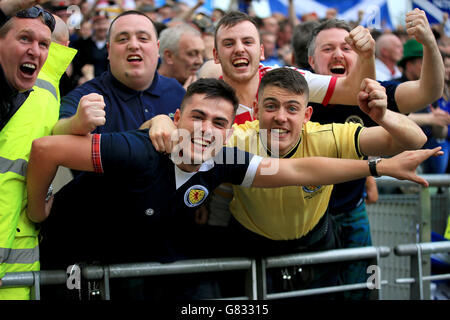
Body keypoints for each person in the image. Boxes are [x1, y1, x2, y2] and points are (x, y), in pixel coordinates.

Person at [28, 77, 439, 298]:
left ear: (232, 130)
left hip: (137, 260)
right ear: (176, 116)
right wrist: (36, 210)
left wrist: (378, 165)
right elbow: (46, 149)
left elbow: (298, 171)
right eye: (198, 117)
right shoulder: (138, 149)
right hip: (72, 257)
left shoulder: (225, 159)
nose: (206, 130)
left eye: (220, 123)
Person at [147, 67, 429, 297]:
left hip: (315, 244)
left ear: (306, 116)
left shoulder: (329, 136)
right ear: (256, 110)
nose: (280, 117)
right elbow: (179, 132)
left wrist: (382, 116)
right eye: (271, 106)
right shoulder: (237, 138)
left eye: (292, 108)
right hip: (250, 247)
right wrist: (160, 121)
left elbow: (414, 139)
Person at [39, 10, 185, 299]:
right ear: (108, 52)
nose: (134, 45)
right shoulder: (86, 97)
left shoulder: (179, 94)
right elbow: (54, 135)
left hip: (166, 256)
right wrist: (75, 124)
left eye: (143, 38)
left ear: (157, 49)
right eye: (122, 39)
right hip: (101, 256)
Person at [305, 10, 445, 299]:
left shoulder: (375, 92)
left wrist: (429, 44)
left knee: (366, 290)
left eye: (347, 47)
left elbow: (428, 91)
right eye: (328, 49)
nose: (338, 55)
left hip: (353, 211)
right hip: (306, 219)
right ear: (311, 61)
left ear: (360, 55)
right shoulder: (297, 96)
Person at [0, 1, 75, 299]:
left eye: (44, 42)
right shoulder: (47, 89)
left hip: (19, 254)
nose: (35, 50)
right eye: (25, 38)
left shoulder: (52, 91)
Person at [211, 11, 376, 123]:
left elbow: (354, 91)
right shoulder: (206, 102)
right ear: (216, 55)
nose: (239, 49)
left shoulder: (286, 79)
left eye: (247, 42)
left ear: (261, 51)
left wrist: (366, 56)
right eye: (228, 43)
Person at [157, 23, 205, 90]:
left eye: (202, 54)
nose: (200, 61)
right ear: (169, 56)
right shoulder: (144, 89)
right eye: (192, 53)